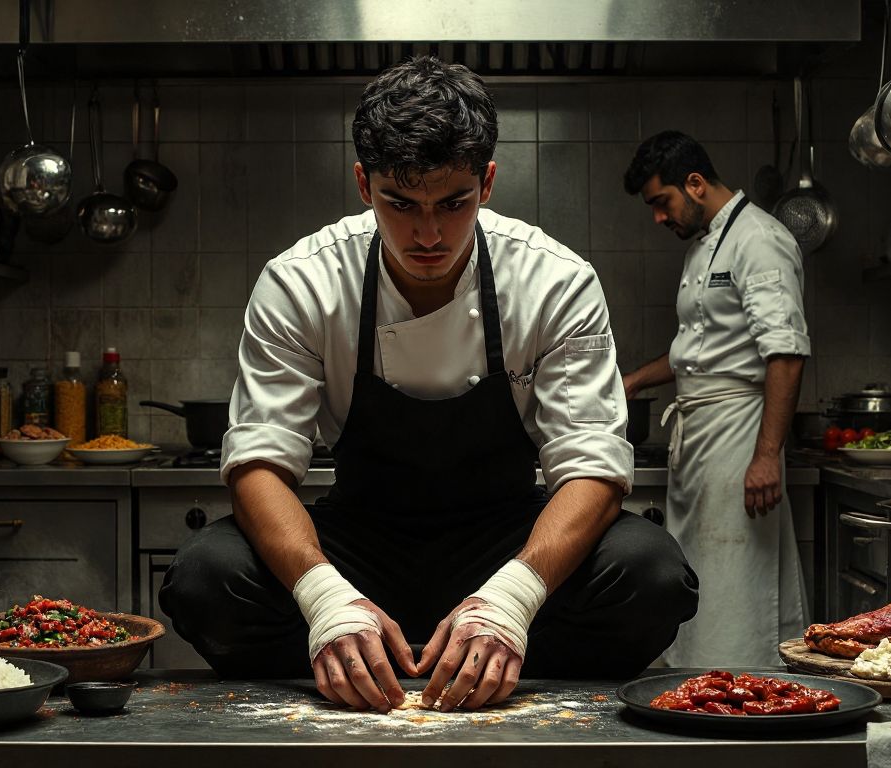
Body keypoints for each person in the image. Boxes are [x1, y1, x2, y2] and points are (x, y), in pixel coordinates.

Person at [160, 57, 698, 713]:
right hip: (359, 542)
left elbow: (593, 467)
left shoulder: (556, 281)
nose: (428, 234)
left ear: (488, 182)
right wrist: (326, 601)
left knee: (651, 572)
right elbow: (258, 464)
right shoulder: (301, 281)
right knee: (204, 578)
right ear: (363, 183)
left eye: (453, 203)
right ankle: (354, 655)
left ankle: (492, 659)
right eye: (400, 203)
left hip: (506, 539)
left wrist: (512, 602)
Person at [619, 131, 810, 668]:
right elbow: (699, 352)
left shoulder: (759, 240)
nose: (659, 218)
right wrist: (632, 381)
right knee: (705, 573)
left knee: (737, 577)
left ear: (696, 184)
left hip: (741, 434)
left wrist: (767, 454)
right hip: (702, 436)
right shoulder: (707, 243)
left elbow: (786, 352)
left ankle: (746, 685)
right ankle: (698, 682)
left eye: (662, 202)